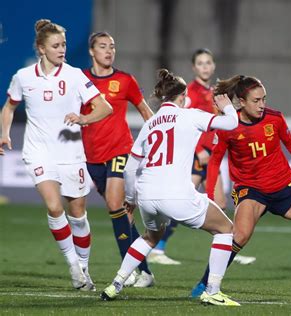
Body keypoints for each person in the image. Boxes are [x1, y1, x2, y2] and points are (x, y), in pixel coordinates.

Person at [100, 69, 241, 306]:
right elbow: (231, 123)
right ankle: (213, 290)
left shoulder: (150, 123)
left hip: (146, 195)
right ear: (183, 95)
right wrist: (226, 105)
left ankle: (116, 283)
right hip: (175, 194)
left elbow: (130, 168)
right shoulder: (190, 115)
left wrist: (132, 199)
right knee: (226, 229)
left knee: (150, 237)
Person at [190, 75, 291, 298]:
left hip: (283, 184)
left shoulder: (274, 119)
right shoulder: (228, 126)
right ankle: (205, 283)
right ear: (241, 102)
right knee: (239, 236)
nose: (262, 105)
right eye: (256, 100)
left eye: (264, 99)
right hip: (250, 190)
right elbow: (214, 161)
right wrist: (211, 195)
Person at [0, 19, 112, 290]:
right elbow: (9, 107)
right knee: (53, 206)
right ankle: (74, 266)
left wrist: (83, 119)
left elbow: (104, 108)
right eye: (56, 45)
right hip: (38, 152)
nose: (62, 49)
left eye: (63, 44)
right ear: (41, 48)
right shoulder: (23, 77)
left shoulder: (75, 75)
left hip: (71, 153)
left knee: (78, 216)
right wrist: (4, 133)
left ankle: (84, 268)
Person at [147, 48, 256, 266]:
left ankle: (228, 246)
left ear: (213, 65)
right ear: (194, 67)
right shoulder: (190, 93)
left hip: (212, 157)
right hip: (196, 158)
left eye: (208, 62)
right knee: (178, 202)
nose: (205, 66)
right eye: (200, 63)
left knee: (221, 202)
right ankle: (157, 248)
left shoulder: (214, 92)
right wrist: (198, 150)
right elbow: (181, 123)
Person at [81, 31, 155, 287]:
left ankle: (129, 271)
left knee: (115, 204)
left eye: (112, 46)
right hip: (92, 156)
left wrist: (160, 136)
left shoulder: (125, 80)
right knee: (122, 213)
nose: (109, 51)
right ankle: (143, 271)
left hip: (120, 149)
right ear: (92, 51)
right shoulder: (80, 79)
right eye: (103, 47)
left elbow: (145, 110)